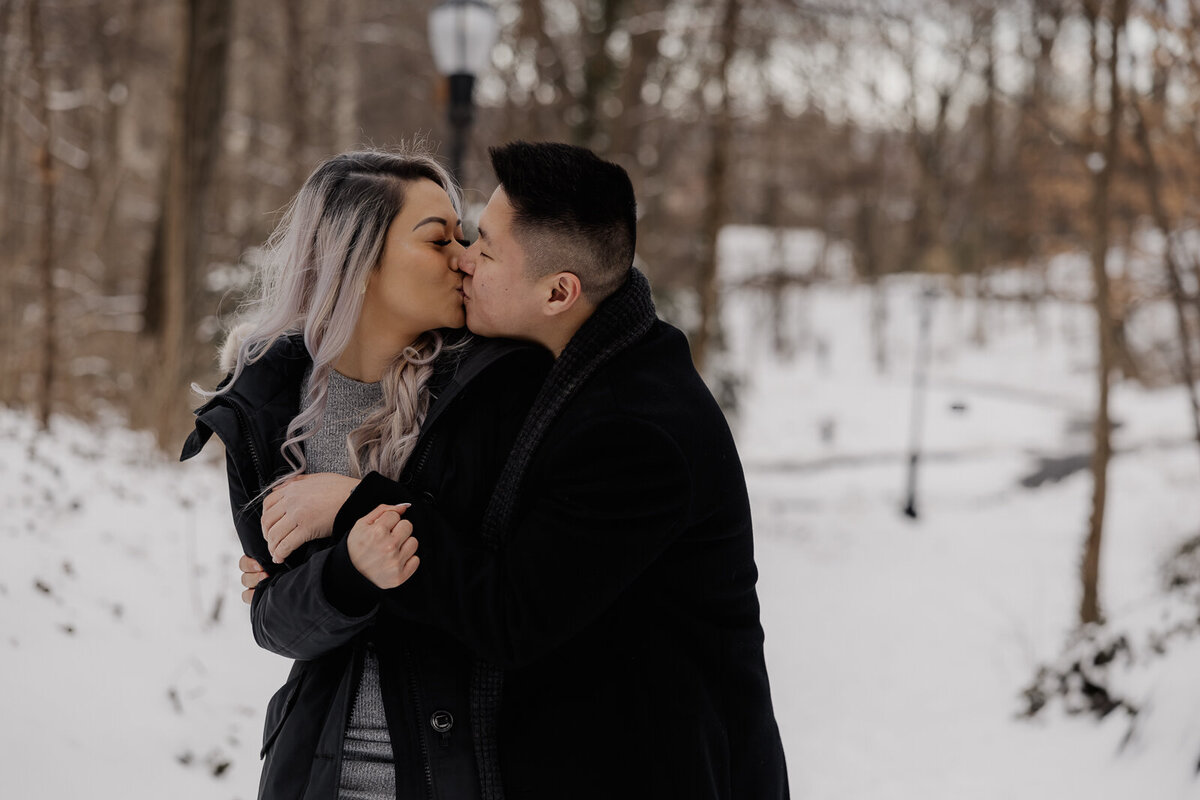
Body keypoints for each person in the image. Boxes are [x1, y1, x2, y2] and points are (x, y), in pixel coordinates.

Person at [247, 141, 790, 799]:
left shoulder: (635, 428)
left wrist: (355, 505)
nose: (465, 261)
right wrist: (319, 574)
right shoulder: (578, 369)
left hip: (657, 769)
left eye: (486, 249)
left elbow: (510, 614)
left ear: (560, 291)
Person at [180, 147, 549, 799]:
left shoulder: (489, 391)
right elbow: (274, 621)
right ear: (358, 261)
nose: (464, 258)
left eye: (463, 238)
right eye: (439, 240)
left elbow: (508, 585)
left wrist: (351, 509)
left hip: (461, 771)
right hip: (317, 772)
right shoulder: (268, 405)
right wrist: (348, 569)